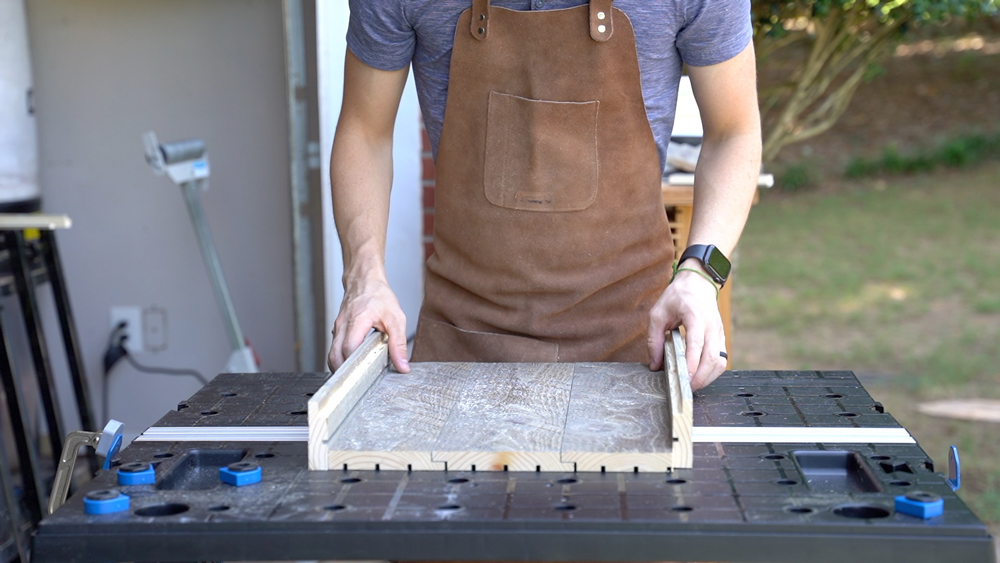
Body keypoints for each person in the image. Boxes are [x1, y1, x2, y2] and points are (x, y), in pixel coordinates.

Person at [328, 0, 761, 391]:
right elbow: (364, 131)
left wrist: (700, 275)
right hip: (460, 343)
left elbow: (734, 131)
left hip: (636, 341)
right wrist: (364, 278)